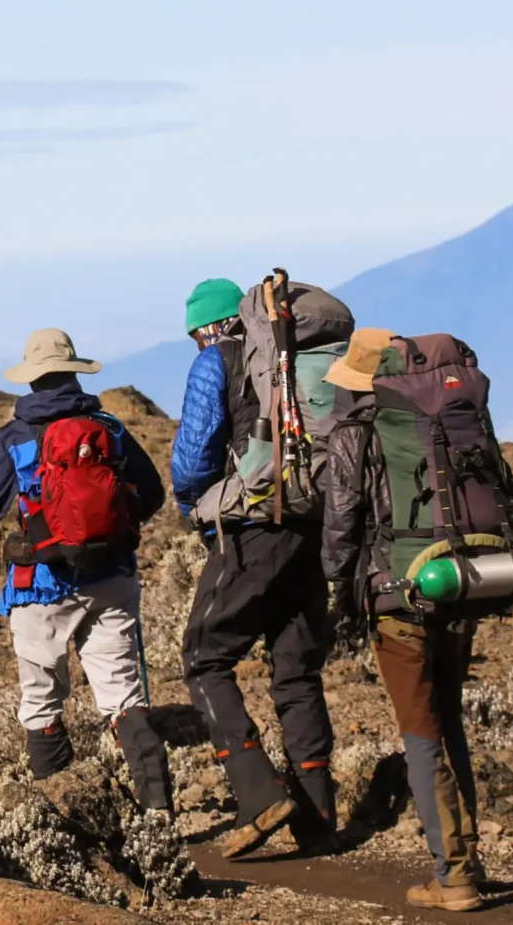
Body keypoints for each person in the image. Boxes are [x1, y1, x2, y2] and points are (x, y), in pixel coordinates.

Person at [0, 328, 173, 812]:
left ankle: (66, 818)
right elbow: (151, 495)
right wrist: (107, 532)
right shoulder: (108, 427)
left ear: (32, 380)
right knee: (124, 697)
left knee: (42, 704)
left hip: (40, 587)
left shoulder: (18, 437)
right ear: (72, 373)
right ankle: (159, 821)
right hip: (112, 578)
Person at [321, 330, 508, 913]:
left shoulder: (357, 431)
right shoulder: (447, 422)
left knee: (421, 736)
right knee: (448, 723)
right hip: (458, 580)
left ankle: (453, 876)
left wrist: (336, 584)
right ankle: (467, 857)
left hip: (398, 595)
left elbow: (343, 518)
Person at [170, 274, 344, 858]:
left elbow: (194, 458)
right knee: (296, 669)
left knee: (204, 654)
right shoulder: (292, 356)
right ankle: (318, 817)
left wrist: (194, 503)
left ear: (206, 327)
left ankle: (257, 790)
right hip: (313, 521)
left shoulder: (216, 360)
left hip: (253, 523)